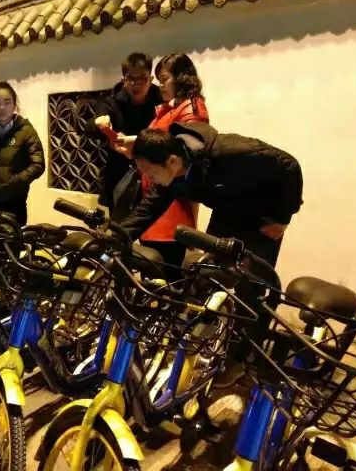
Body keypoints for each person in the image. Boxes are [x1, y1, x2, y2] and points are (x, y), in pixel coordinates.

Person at [123, 126, 303, 386]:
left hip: (263, 223)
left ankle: (238, 360)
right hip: (227, 214)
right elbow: (149, 207)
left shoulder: (232, 152)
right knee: (204, 276)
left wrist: (283, 217)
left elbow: (289, 165)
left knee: (251, 292)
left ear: (172, 161)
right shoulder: (175, 174)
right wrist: (117, 236)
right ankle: (194, 346)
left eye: (150, 172)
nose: (149, 179)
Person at [138, 52, 209, 272]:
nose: (161, 85)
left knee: (167, 274)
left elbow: (188, 158)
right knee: (151, 272)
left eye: (164, 79)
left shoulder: (192, 109)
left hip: (172, 205)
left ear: (182, 77)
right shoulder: (168, 109)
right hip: (155, 200)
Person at [89, 52, 163, 218]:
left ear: (151, 79)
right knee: (120, 226)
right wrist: (100, 124)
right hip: (121, 176)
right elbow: (91, 126)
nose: (137, 84)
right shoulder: (112, 101)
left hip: (156, 176)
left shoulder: (161, 100)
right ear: (124, 80)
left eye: (142, 79)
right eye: (131, 79)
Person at [0, 81, 45, 225]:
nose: (2, 107)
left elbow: (38, 164)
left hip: (14, 204)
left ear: (14, 105)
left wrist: (15, 182)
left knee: (11, 238)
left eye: (7, 102)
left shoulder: (26, 130)